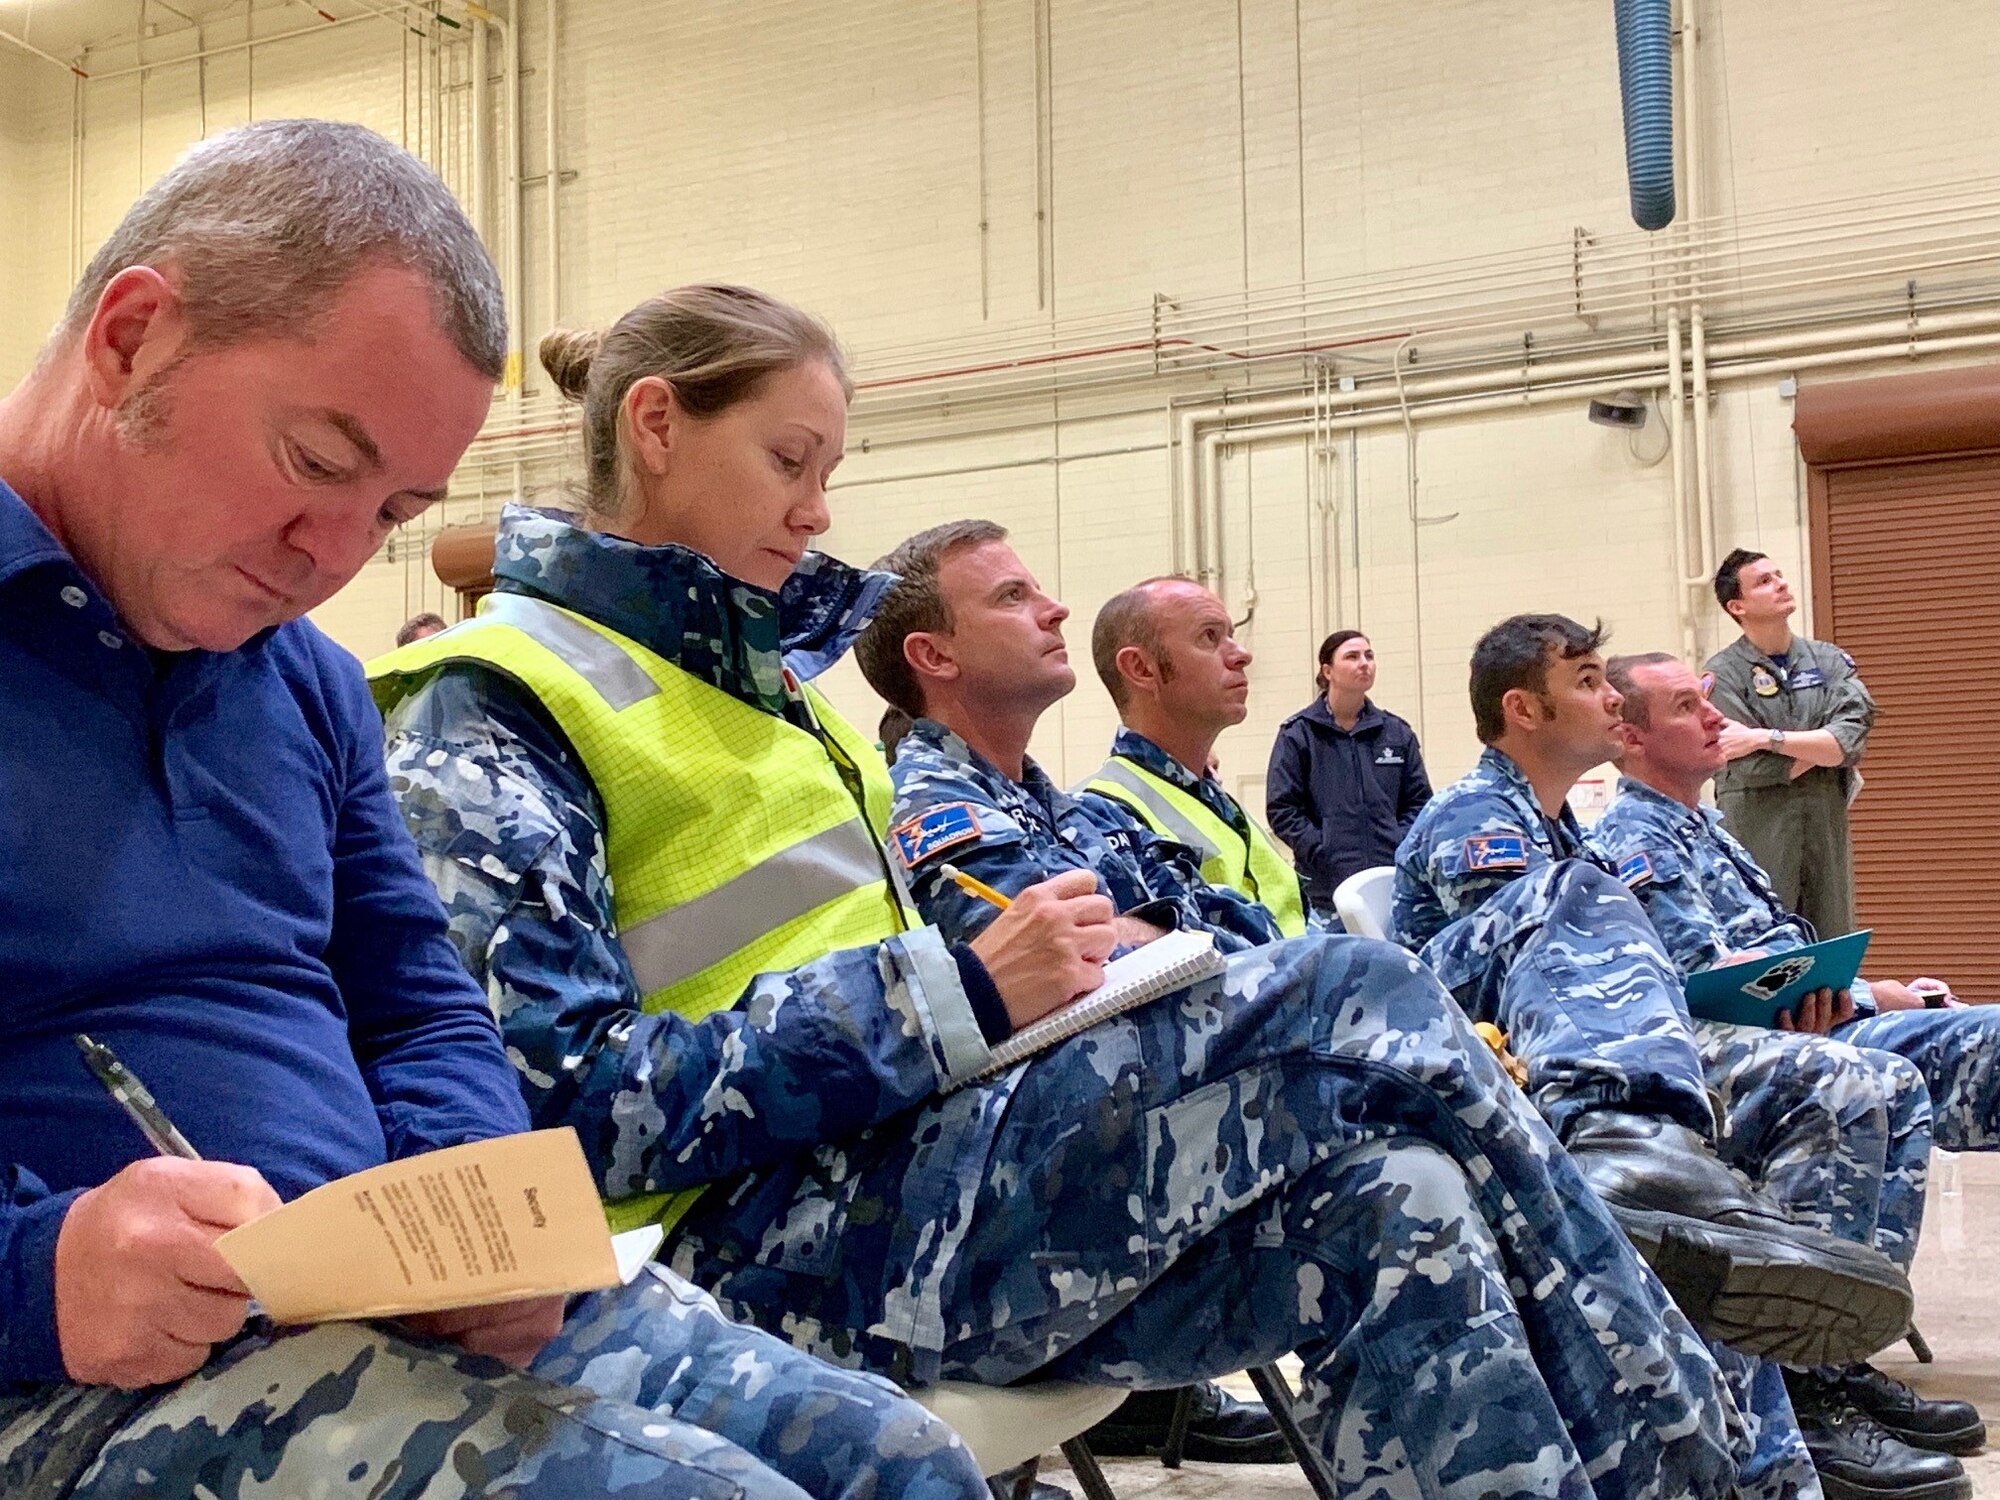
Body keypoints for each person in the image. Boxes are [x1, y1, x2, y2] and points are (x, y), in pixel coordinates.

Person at [377, 296, 1758, 1500]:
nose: (817, 510)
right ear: (658, 426)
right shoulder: (495, 705)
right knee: (1356, 995)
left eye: (828, 470)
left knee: (1391, 1195)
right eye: (789, 461)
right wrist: (958, 993)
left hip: (904, 1182)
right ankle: (1717, 1458)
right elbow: (554, 1107)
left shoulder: (774, 699)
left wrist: (1012, 985)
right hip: (731, 1252)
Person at [0, 125, 978, 1500]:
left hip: (370, 1311)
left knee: (900, 1463)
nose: (333, 555)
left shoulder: (306, 689)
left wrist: (474, 1222)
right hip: (68, 1368)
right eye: (318, 462)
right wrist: (35, 1277)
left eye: (395, 509)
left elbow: (415, 1000)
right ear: (133, 338)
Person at [1389, 614, 1923, 1497]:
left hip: (1573, 1071)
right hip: (1491, 1076)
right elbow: (1518, 994)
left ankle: (1804, 1397)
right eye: (1590, 681)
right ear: (1523, 709)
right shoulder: (1478, 818)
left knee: (1830, 1118)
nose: (1610, 698)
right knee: (1826, 1087)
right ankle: (1647, 1160)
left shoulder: (1563, 830)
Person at [1590, 651, 1994, 1483]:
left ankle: (1840, 1358)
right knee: (1886, 1082)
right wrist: (1862, 1001)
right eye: (1684, 708)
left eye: (1707, 700)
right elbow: (1712, 990)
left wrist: (1870, 987)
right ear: (1629, 737)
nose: (1713, 717)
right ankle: (1815, 1381)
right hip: (1764, 1051)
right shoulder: (1635, 836)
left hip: (1820, 1023)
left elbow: (1779, 959)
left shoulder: (1702, 825)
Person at [1074, 576, 1309, 940]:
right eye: (1209, 637)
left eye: (1231, 635)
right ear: (1142, 669)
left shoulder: (1210, 797)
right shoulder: (1103, 813)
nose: (1241, 654)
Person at [1706, 550, 1874, 939]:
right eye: (1764, 581)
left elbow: (1847, 741)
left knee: (1832, 946)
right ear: (1737, 606)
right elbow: (1746, 765)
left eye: (1779, 574)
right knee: (1765, 943)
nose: (1781, 583)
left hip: (1823, 828)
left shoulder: (1829, 661)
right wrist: (1818, 744)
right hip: (1759, 829)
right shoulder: (1722, 676)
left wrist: (1767, 738)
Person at [1266, 629, 1430, 914]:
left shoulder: (1396, 733)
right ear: (1328, 671)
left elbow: (1419, 802)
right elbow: (1282, 808)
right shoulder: (1299, 734)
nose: (1364, 663)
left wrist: (1398, 842)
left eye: (1369, 656)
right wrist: (1322, 849)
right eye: (1352, 657)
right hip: (1325, 892)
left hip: (1390, 885)